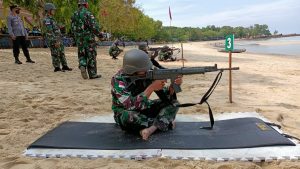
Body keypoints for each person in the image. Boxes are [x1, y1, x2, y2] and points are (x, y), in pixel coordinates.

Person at [111, 49, 182, 140]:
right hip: (126, 112)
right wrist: (151, 88)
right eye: (143, 68)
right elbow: (129, 105)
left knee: (174, 103)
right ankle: (164, 122)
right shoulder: (118, 80)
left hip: (144, 108)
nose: (147, 69)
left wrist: (173, 86)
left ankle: (151, 129)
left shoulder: (147, 73)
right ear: (133, 69)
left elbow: (166, 97)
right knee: (129, 116)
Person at [71, 0, 103, 79]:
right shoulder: (88, 14)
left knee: (82, 54)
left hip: (79, 39)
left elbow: (72, 28)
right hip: (89, 39)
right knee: (91, 55)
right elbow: (94, 27)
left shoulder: (74, 15)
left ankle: (82, 65)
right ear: (86, 5)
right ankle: (92, 74)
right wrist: (100, 36)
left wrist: (76, 37)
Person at [42, 3, 72, 72]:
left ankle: (64, 66)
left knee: (61, 52)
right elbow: (49, 31)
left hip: (58, 38)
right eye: (53, 10)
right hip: (54, 40)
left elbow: (55, 28)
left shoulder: (52, 19)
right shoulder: (47, 20)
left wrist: (60, 26)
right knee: (55, 53)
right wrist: (55, 41)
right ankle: (57, 67)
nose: (54, 11)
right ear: (49, 10)